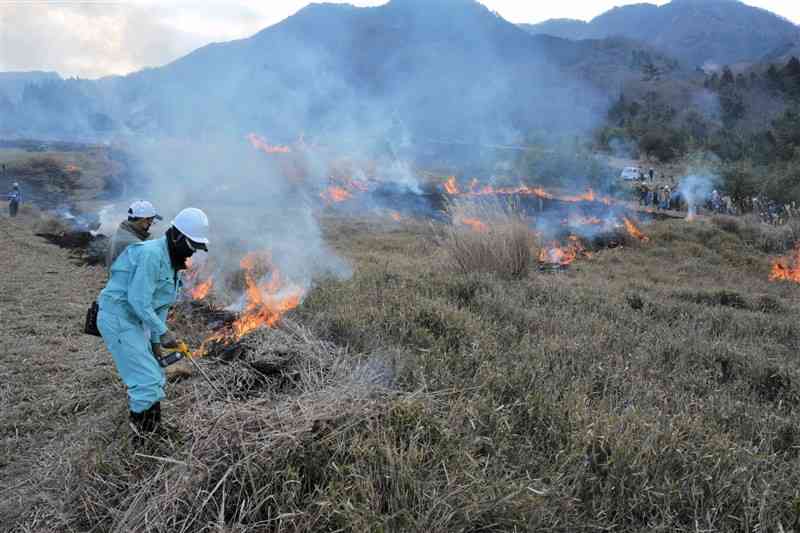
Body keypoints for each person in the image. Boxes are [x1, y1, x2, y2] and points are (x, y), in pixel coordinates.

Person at [97, 207, 210, 434]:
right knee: (146, 381)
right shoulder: (151, 254)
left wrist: (156, 342)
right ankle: (144, 439)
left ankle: (152, 428)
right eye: (191, 246)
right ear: (176, 236)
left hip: (134, 319)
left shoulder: (171, 262)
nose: (192, 253)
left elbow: (159, 307)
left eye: (196, 248)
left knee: (155, 375)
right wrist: (165, 332)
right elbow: (138, 301)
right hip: (118, 317)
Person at [107, 200, 162, 273]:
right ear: (144, 220)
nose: (151, 223)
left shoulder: (116, 236)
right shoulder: (136, 245)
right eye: (151, 220)